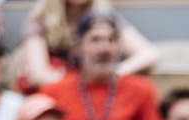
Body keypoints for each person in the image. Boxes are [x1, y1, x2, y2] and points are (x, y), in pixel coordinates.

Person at [39, 12, 164, 120]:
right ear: (78, 46)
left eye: (111, 40)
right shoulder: (53, 91)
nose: (104, 49)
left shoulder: (141, 90)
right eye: (95, 40)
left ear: (119, 46)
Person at [20, 0, 159, 92]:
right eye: (95, 39)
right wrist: (76, 87)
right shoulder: (39, 20)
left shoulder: (105, 17)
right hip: (60, 92)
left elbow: (149, 54)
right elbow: (37, 74)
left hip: (98, 91)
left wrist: (111, 73)